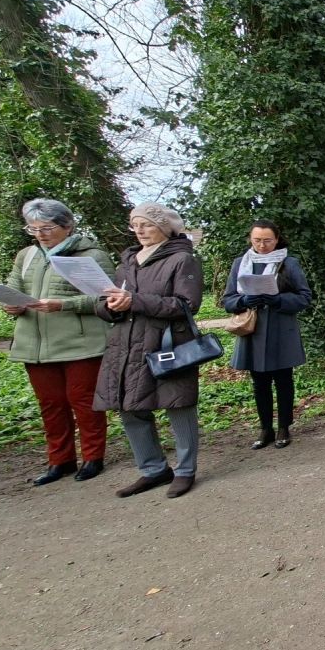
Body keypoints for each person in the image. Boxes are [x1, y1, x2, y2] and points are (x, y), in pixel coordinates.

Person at [94, 203, 204, 499]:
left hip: (168, 343)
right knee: (130, 405)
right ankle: (153, 469)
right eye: (135, 224)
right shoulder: (127, 262)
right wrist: (110, 306)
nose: (139, 230)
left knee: (178, 405)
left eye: (147, 224)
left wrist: (135, 301)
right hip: (126, 345)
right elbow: (105, 302)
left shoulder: (182, 259)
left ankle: (185, 470)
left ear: (164, 228)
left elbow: (186, 304)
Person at [3, 198, 115, 486]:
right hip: (35, 344)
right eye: (33, 228)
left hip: (81, 343)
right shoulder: (26, 255)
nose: (40, 234)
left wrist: (63, 304)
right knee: (50, 404)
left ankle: (93, 457)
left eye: (47, 228)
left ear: (68, 226)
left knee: (84, 402)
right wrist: (11, 305)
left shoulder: (90, 255)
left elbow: (107, 298)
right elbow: (13, 288)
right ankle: (60, 460)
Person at [220, 219, 313, 449]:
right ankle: (265, 428)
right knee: (259, 382)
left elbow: (304, 297)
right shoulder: (241, 263)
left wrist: (278, 300)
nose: (262, 245)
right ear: (250, 239)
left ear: (277, 240)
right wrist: (243, 300)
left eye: (267, 240)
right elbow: (227, 300)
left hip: (281, 329)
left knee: (283, 381)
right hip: (253, 331)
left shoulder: (288, 263)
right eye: (257, 240)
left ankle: (284, 427)